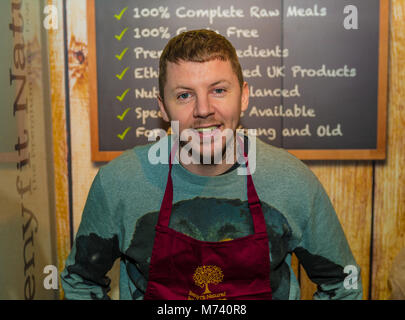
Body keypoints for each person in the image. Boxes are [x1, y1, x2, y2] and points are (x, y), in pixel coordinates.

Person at [61, 29, 362, 300]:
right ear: (162, 107)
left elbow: (343, 285)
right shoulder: (119, 184)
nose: (203, 110)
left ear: (243, 96)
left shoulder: (291, 181)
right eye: (184, 95)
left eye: (219, 90)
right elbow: (80, 281)